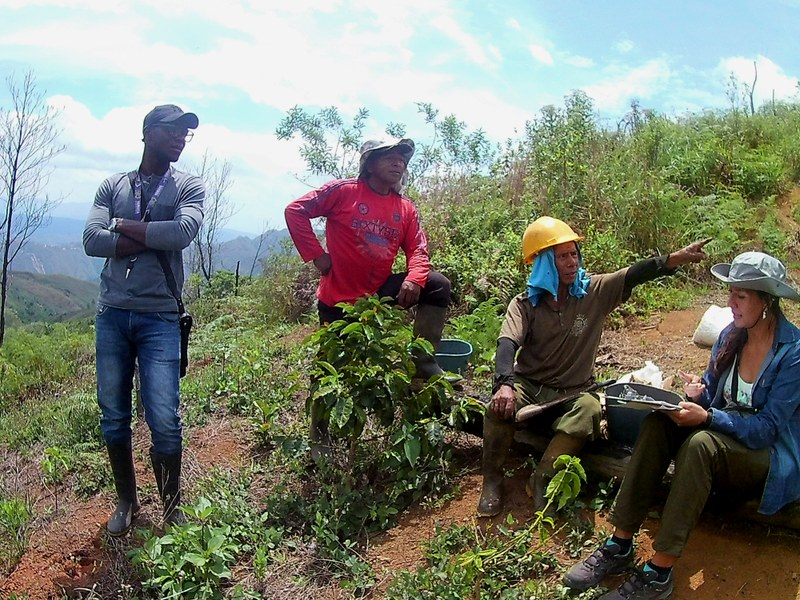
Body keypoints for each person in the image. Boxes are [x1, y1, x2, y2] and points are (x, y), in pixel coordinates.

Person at [563, 251, 800, 600]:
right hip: (727, 435)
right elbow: (711, 396)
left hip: (768, 455)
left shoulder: (792, 352)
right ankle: (620, 542)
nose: (730, 302)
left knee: (700, 444)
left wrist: (708, 416)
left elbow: (766, 429)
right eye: (730, 292)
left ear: (766, 302)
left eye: (741, 296)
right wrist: (697, 396)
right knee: (660, 423)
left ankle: (658, 572)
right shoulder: (732, 336)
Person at [477, 216, 709, 518]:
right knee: (497, 409)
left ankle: (544, 476)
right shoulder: (524, 305)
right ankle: (492, 481)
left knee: (589, 409)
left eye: (575, 253)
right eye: (563, 256)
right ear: (546, 263)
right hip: (530, 387)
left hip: (572, 393)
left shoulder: (594, 292)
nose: (573, 261)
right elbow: (507, 344)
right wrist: (504, 384)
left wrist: (672, 259)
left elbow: (632, 275)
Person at [83, 104, 204, 536]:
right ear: (148, 132)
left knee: (165, 420)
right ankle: (126, 501)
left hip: (160, 319)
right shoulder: (113, 184)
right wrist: (146, 232)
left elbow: (182, 233)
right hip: (112, 315)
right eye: (173, 130)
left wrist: (124, 226)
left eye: (185, 134)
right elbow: (91, 240)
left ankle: (171, 507)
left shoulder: (187, 184)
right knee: (113, 415)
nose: (181, 138)